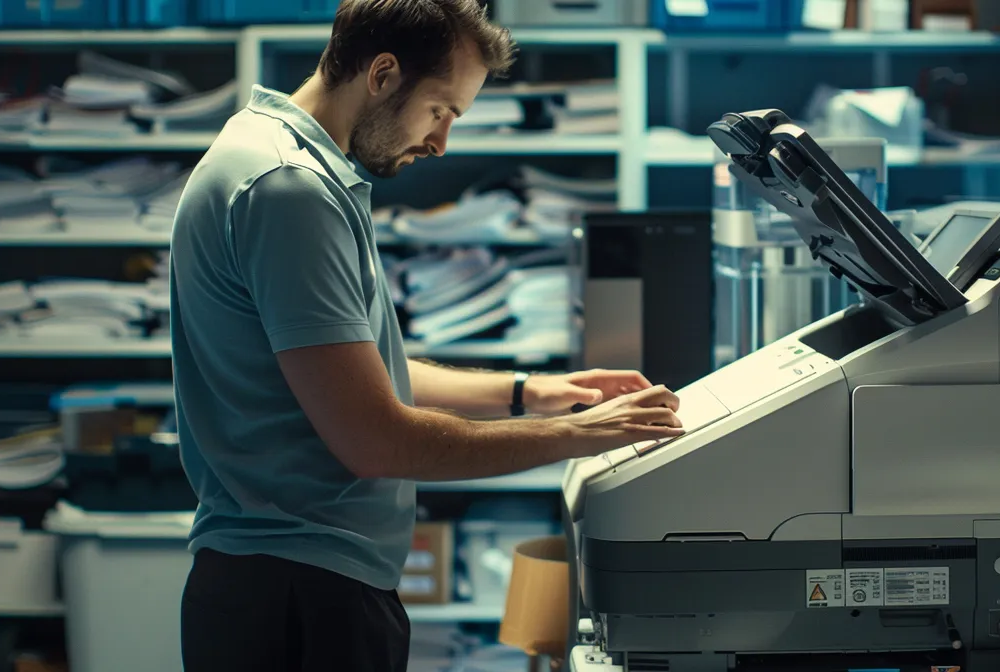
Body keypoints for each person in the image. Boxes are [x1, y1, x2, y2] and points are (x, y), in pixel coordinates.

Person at [168, 1, 685, 669]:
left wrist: (531, 392)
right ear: (382, 74)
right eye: (441, 111)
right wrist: (580, 436)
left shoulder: (271, 149)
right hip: (299, 597)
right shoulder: (289, 189)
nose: (441, 142)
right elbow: (375, 440)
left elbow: (354, 373)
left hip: (285, 583)